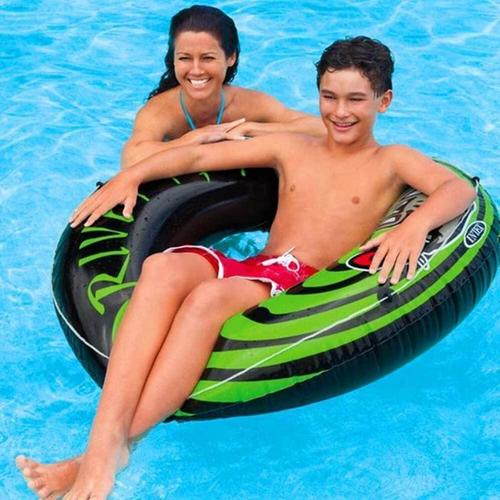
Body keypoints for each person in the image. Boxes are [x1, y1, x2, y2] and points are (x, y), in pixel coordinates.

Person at [16, 36, 476, 499]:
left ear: (384, 101)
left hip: (299, 280)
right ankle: (103, 441)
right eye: (329, 97)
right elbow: (199, 157)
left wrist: (414, 226)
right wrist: (131, 175)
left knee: (207, 300)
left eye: (356, 99)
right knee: (160, 268)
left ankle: (113, 450)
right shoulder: (294, 148)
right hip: (259, 265)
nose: (340, 112)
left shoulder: (392, 161)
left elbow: (459, 190)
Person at [120, 5, 324, 170]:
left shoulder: (249, 104)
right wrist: (194, 139)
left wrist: (253, 129)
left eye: (208, 58)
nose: (196, 70)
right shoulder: (160, 111)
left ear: (230, 57)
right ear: (173, 60)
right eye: (184, 58)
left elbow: (322, 129)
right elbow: (130, 159)